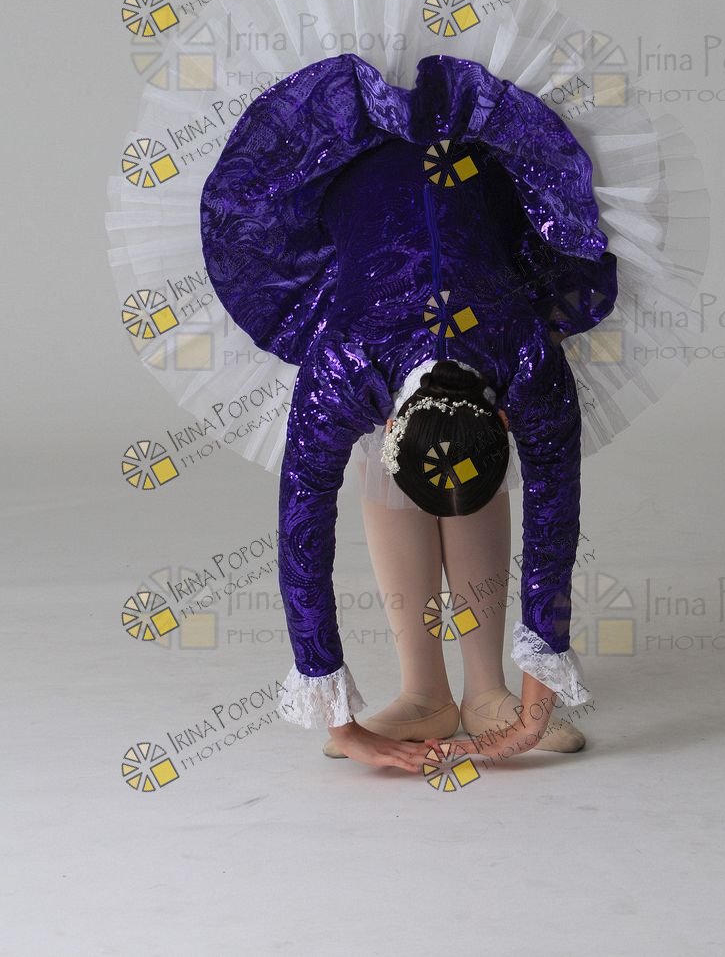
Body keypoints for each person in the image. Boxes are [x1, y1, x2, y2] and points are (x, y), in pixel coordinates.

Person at [200, 50, 618, 770]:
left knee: (464, 481)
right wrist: (342, 727)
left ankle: (487, 691)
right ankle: (425, 692)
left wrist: (531, 714)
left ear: (505, 417)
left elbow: (555, 528)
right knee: (391, 483)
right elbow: (302, 534)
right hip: (351, 181)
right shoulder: (344, 364)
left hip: (481, 204)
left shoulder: (527, 358)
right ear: (387, 422)